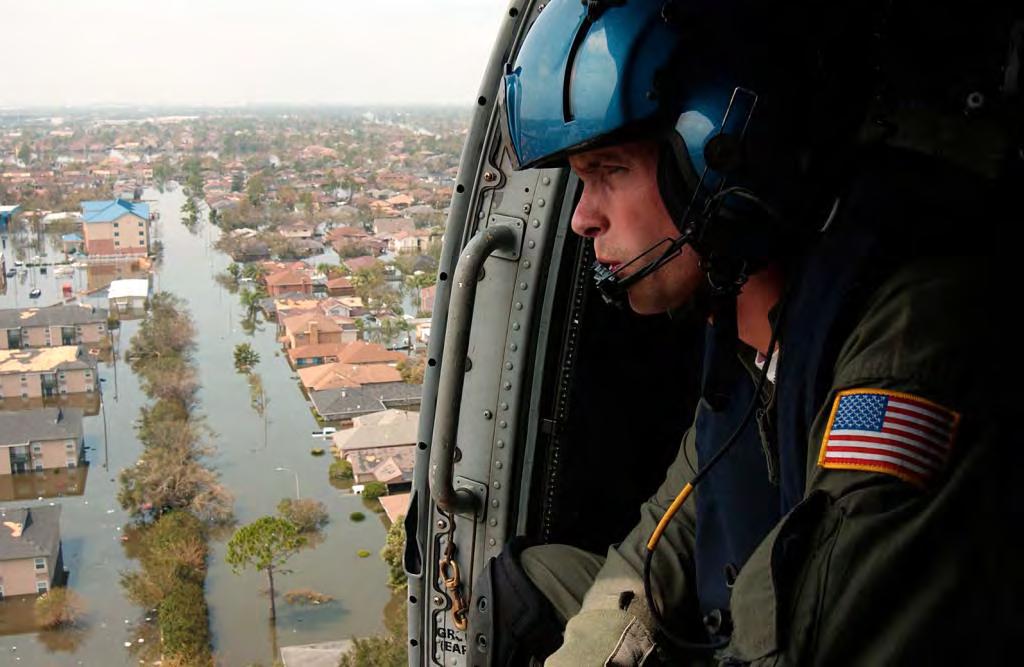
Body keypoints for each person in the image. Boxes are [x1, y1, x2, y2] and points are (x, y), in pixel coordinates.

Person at [487, 0, 1022, 664]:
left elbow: (815, 632)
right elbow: (686, 503)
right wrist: (600, 636)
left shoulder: (907, 341)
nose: (583, 218)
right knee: (528, 585)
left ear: (719, 152)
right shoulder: (744, 314)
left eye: (611, 171)